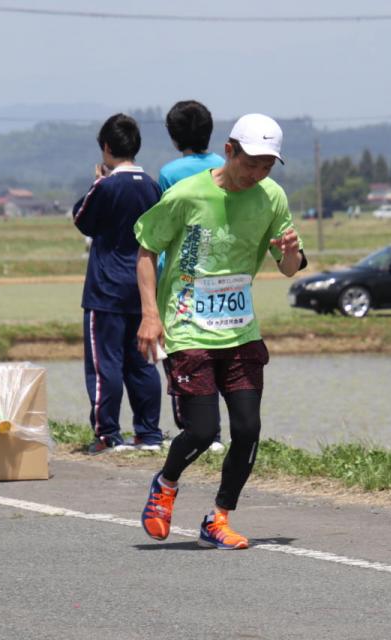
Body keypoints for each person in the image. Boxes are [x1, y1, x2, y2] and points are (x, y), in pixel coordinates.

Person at [134, 113, 305, 550]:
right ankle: (166, 483)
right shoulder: (186, 194)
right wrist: (150, 315)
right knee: (202, 430)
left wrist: (289, 252)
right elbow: (146, 250)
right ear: (229, 151)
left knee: (247, 429)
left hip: (240, 330)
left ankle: (218, 518)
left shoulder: (272, 198)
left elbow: (289, 267)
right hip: (188, 328)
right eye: (250, 164)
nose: (257, 174)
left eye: (267, 166)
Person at [73, 113, 164, 454]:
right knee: (142, 363)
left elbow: (82, 220)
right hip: (143, 287)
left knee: (105, 364)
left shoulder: (107, 186)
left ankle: (108, 434)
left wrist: (96, 182)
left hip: (106, 288)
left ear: (107, 147)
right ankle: (149, 433)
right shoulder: (152, 186)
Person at [157, 100, 227, 453]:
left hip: (181, 274)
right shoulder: (224, 166)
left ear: (173, 136)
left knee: (184, 350)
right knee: (217, 348)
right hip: (219, 267)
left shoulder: (170, 173)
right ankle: (215, 432)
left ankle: (192, 429)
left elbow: (163, 227)